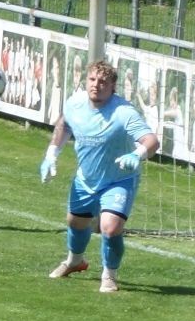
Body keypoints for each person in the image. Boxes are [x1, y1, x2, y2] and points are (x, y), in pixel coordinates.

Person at [40, 60, 159, 293]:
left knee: (110, 227)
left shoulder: (123, 112)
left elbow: (152, 141)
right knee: (75, 222)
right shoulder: (75, 104)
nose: (96, 85)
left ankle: (109, 276)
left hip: (119, 180)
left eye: (103, 82)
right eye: (92, 80)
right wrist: (51, 153)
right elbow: (64, 125)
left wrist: (138, 154)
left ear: (113, 86)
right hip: (86, 179)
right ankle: (75, 261)